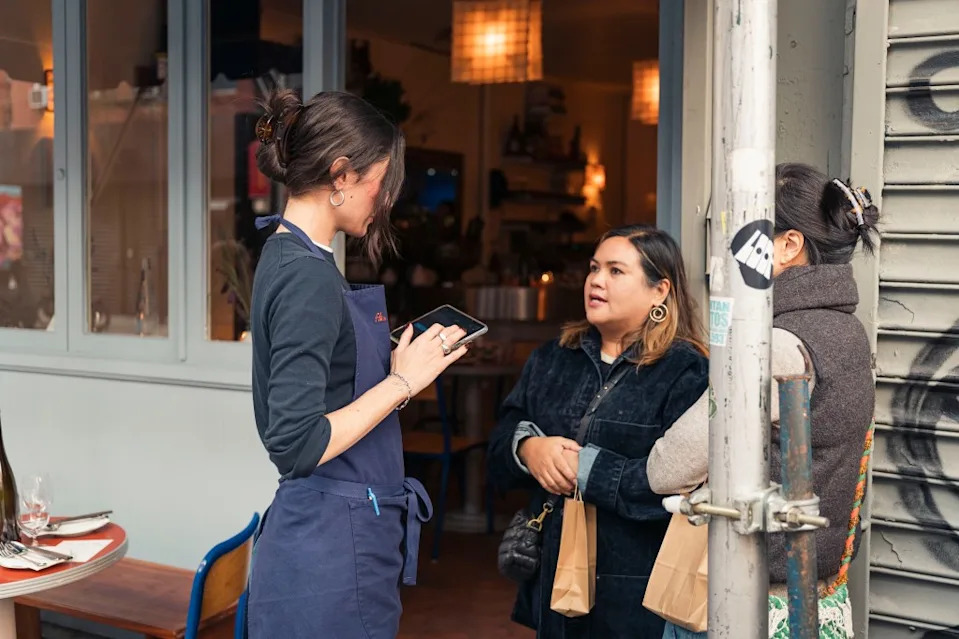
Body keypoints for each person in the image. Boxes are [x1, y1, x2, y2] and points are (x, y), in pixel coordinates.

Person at [246, 88, 469, 638]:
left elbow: (322, 387)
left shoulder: (289, 253)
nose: (385, 199)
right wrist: (402, 381)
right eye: (380, 181)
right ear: (341, 175)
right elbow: (295, 443)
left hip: (328, 537)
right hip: (328, 551)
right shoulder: (306, 274)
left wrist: (382, 365)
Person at [653, 163, 878, 639]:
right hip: (812, 590)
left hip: (749, 598)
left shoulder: (775, 345)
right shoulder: (846, 331)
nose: (731, 247)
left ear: (789, 244)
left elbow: (666, 469)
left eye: (744, 230)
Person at [487, 225, 710, 639]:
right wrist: (528, 449)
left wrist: (585, 471)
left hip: (634, 589)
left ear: (660, 290)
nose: (596, 280)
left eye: (615, 271)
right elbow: (499, 443)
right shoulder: (553, 357)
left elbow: (682, 487)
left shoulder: (686, 371)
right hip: (553, 579)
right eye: (593, 268)